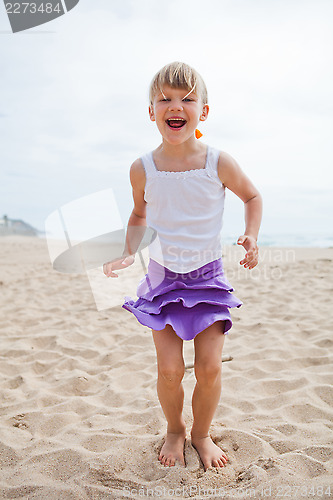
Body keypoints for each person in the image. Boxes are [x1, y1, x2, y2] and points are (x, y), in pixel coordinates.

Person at [103, 62, 262, 471]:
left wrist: (251, 235)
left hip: (207, 278)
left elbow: (252, 196)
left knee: (208, 368)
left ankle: (201, 433)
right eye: (165, 99)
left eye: (187, 99)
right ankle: (175, 428)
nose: (176, 106)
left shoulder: (217, 162)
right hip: (162, 282)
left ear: (203, 112)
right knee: (170, 369)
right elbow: (139, 216)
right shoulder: (143, 168)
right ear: (152, 111)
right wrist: (127, 251)